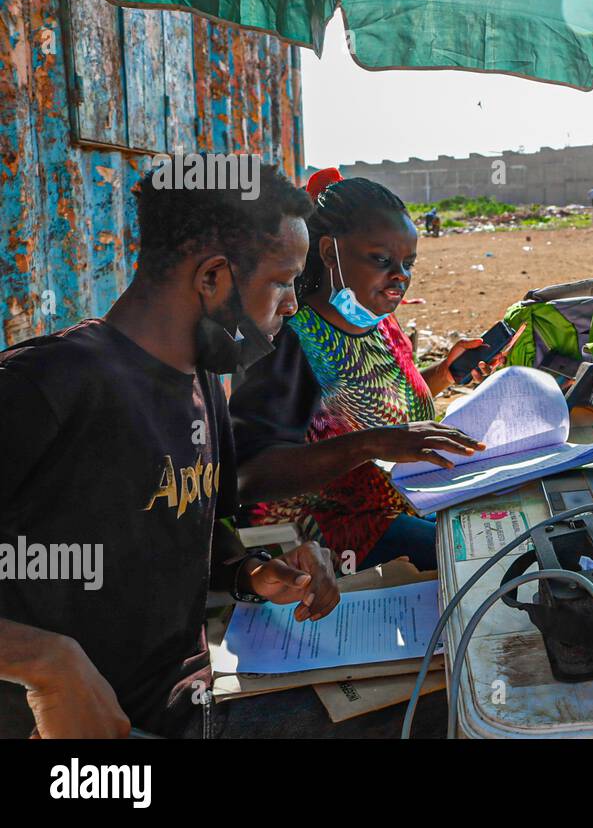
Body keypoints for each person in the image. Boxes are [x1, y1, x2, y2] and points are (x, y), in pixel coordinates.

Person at [0, 160, 339, 739]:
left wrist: (254, 572)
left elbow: (189, 544)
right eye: (283, 281)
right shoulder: (44, 386)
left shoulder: (202, 377)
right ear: (213, 278)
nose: (292, 306)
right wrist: (46, 664)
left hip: (192, 707)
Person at [230, 175, 493, 574]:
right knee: (481, 559)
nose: (401, 277)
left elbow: (365, 402)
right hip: (331, 537)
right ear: (329, 252)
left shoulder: (377, 321)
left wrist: (443, 374)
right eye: (382, 260)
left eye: (408, 264)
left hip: (407, 500)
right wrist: (367, 446)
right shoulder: (289, 340)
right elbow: (250, 477)